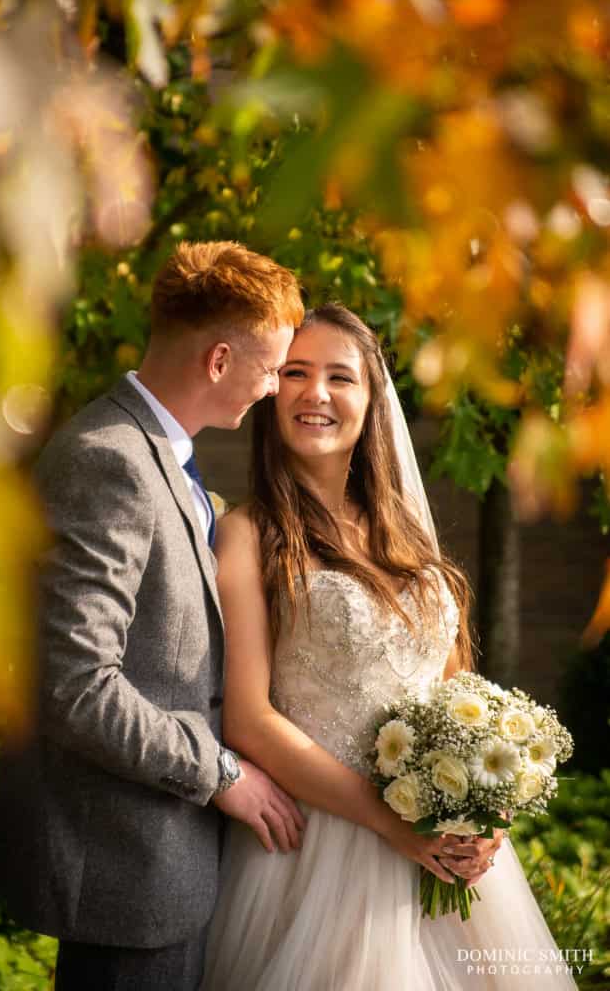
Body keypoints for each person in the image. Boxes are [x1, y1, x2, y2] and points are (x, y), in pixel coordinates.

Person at [202, 303, 577, 990]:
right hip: (321, 848)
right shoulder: (246, 534)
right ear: (272, 391)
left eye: (339, 377)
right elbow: (247, 718)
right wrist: (393, 826)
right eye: (295, 373)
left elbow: (456, 691)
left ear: (372, 401)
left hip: (438, 838)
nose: (315, 393)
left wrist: (481, 812)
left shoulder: (403, 533)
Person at [0, 241, 306, 991]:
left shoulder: (161, 452)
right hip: (128, 868)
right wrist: (222, 773)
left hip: (162, 861)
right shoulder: (111, 461)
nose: (272, 390)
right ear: (220, 362)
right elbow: (76, 688)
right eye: (270, 369)